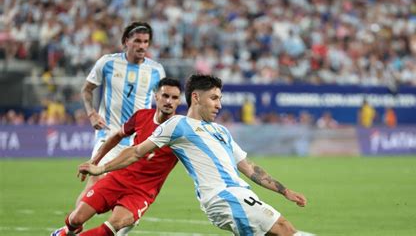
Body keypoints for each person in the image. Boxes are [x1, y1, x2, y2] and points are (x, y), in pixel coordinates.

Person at [79, 74, 310, 235]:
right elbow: (137, 151)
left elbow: (250, 168)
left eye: (220, 98)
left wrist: (285, 191)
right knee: (285, 230)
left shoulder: (221, 131)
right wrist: (100, 167)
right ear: (196, 98)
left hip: (240, 193)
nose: (219, 104)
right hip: (224, 197)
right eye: (214, 98)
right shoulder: (178, 125)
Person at [51, 78, 181, 236]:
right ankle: (66, 231)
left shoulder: (181, 130)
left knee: (113, 226)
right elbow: (117, 136)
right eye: (165, 95)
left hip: (142, 192)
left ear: (179, 100)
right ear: (156, 97)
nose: (169, 101)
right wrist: (95, 160)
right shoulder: (141, 116)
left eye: (174, 97)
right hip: (118, 178)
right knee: (76, 219)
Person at [78, 21, 165, 236]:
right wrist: (91, 113)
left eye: (146, 42)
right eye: (137, 41)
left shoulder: (156, 70)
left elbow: (162, 104)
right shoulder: (107, 63)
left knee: (133, 194)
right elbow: (87, 90)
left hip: (139, 142)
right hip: (108, 134)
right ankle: (73, 225)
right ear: (126, 41)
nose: (142, 46)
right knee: (96, 181)